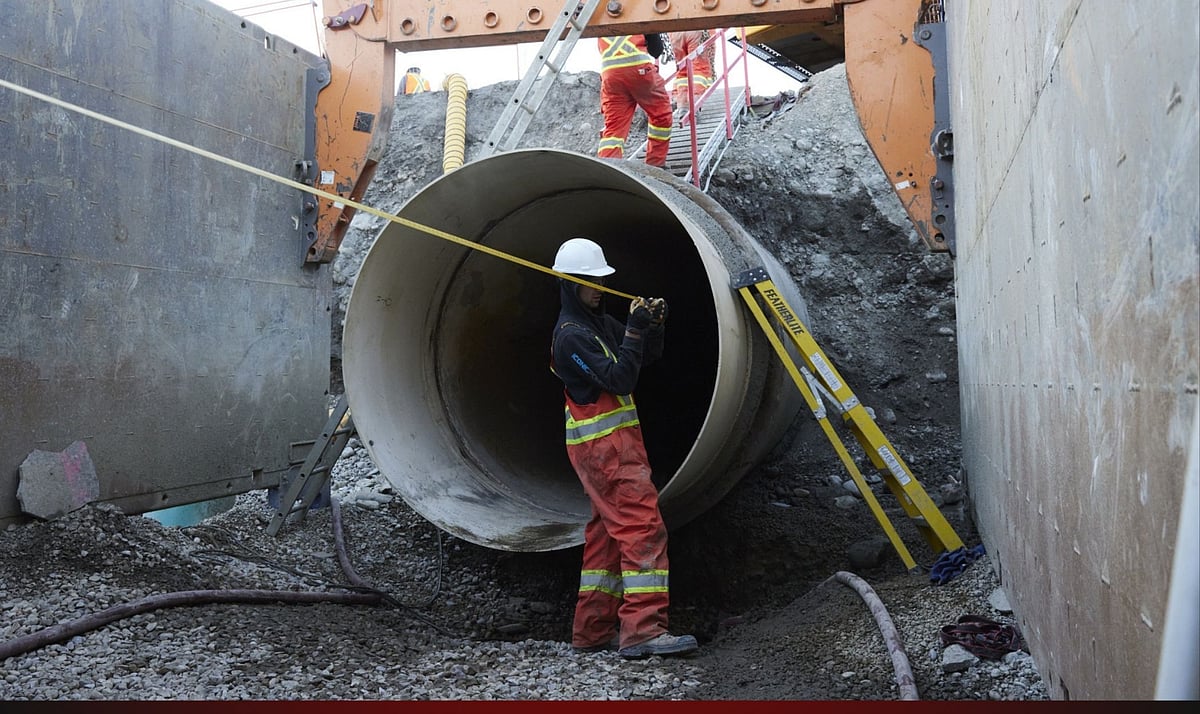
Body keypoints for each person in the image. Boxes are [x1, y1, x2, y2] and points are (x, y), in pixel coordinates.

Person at [548, 237, 698, 660]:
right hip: (605, 451)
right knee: (642, 529)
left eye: (601, 280)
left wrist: (653, 326)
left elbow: (642, 358)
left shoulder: (597, 325)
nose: (599, 288)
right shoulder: (570, 337)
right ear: (570, 283)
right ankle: (644, 630)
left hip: (609, 448)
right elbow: (620, 380)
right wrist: (633, 328)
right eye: (590, 281)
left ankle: (592, 631)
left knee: (608, 537)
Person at [596, 35, 673, 168]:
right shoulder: (641, 21)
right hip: (640, 72)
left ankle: (607, 168)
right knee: (661, 116)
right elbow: (656, 50)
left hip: (611, 77)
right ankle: (655, 164)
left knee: (614, 127)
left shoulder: (600, 23)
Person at [669, 30, 717, 115]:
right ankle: (693, 105)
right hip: (696, 31)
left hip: (675, 33)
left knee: (682, 72)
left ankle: (683, 106)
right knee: (699, 70)